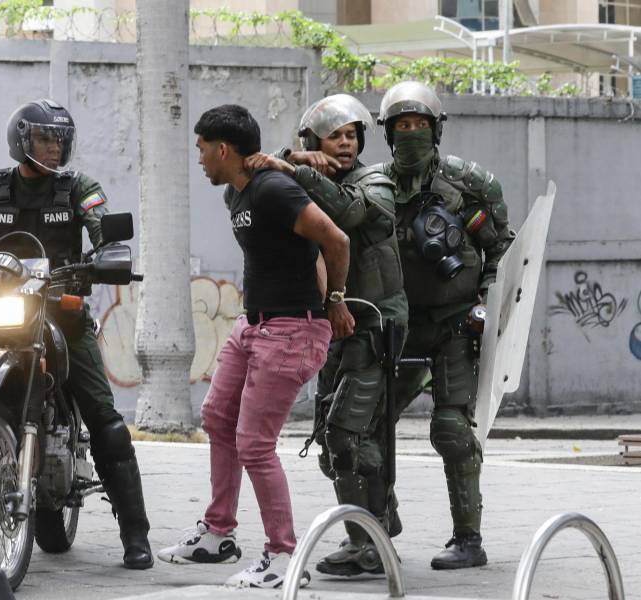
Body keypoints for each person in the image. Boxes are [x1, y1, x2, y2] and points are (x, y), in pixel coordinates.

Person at [0, 99, 153, 570]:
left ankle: (135, 533)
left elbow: (101, 227)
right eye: (45, 139)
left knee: (104, 418)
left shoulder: (77, 188)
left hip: (62, 315)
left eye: (60, 141)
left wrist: (109, 255)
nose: (53, 148)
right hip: (1, 314)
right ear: (21, 141)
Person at [157, 104, 351, 588]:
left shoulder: (272, 190)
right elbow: (301, 247)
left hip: (291, 331)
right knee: (217, 418)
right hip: (254, 327)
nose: (199, 158)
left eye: (202, 149)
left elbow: (335, 240)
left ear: (223, 149)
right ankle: (219, 532)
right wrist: (289, 157)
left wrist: (335, 303)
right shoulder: (238, 193)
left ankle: (284, 556)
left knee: (255, 445)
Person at [243, 93, 408, 576]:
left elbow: (352, 215)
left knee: (348, 435)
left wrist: (300, 169)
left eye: (352, 134)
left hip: (376, 328)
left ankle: (370, 543)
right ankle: (376, 525)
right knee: (335, 442)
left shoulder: (374, 182)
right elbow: (255, 180)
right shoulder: (301, 176)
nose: (345, 143)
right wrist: (292, 158)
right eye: (334, 135)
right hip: (333, 328)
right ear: (313, 140)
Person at [371, 81, 516, 570]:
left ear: (436, 129)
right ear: (388, 133)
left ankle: (468, 539)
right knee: (367, 427)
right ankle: (375, 521)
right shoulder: (375, 187)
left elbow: (502, 250)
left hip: (454, 325)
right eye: (402, 126)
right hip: (398, 327)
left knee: (452, 429)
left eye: (420, 125)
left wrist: (487, 307)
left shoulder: (468, 186)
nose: (412, 134)